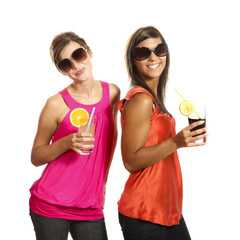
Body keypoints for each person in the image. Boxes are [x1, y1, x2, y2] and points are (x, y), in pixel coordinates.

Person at [118, 26, 207, 240]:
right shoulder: (141, 99)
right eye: (143, 52)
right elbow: (130, 161)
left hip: (167, 211)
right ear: (133, 61)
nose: (153, 57)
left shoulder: (153, 97)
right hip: (144, 211)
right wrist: (176, 141)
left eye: (159, 49)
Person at [29, 31, 120, 240]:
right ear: (62, 71)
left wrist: (102, 183)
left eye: (78, 55)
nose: (75, 66)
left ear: (89, 52)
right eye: (65, 64)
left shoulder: (113, 93)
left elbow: (110, 141)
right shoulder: (55, 104)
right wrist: (67, 142)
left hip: (90, 205)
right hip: (50, 205)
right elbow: (36, 157)